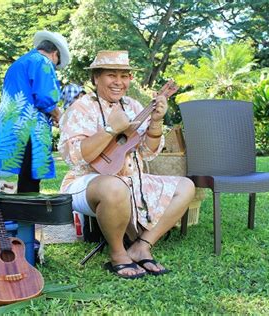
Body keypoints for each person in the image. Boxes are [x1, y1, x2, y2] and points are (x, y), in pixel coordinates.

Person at [58, 50, 195, 279]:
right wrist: (110, 130)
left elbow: (148, 153)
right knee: (115, 186)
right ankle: (118, 253)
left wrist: (156, 123)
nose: (119, 82)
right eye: (112, 75)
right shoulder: (81, 108)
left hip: (133, 180)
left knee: (186, 186)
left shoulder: (132, 106)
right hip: (87, 183)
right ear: (96, 78)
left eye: (125, 76)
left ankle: (142, 245)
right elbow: (76, 157)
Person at [0, 30, 70, 193]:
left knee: (19, 176)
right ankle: (27, 216)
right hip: (30, 129)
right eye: (56, 63)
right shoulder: (43, 62)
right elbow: (45, 96)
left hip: (12, 127)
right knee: (30, 181)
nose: (54, 67)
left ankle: (15, 213)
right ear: (54, 54)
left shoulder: (17, 64)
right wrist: (59, 116)